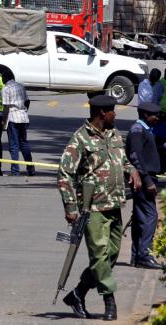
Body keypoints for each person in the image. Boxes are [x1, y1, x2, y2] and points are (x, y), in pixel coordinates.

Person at [57, 95, 141, 321]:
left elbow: (122, 160)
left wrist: (131, 170)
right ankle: (109, 300)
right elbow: (65, 174)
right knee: (99, 257)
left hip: (114, 204)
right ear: (102, 113)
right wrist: (70, 207)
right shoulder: (80, 139)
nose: (116, 114)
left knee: (111, 256)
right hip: (92, 208)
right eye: (113, 111)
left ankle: (78, 293)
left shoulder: (113, 134)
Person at [126, 102, 163, 270]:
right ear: (145, 115)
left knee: (140, 218)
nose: (157, 118)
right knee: (150, 216)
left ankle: (136, 256)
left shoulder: (145, 130)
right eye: (155, 115)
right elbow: (136, 157)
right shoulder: (137, 131)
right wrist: (147, 180)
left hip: (146, 178)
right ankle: (144, 255)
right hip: (142, 180)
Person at [2, 70, 35, 176]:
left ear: (5, 79)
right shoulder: (21, 86)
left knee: (14, 145)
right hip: (23, 117)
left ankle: (15, 170)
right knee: (24, 143)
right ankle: (30, 169)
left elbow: (6, 107)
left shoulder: (6, 89)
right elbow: (27, 101)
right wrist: (24, 111)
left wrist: (3, 121)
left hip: (13, 118)